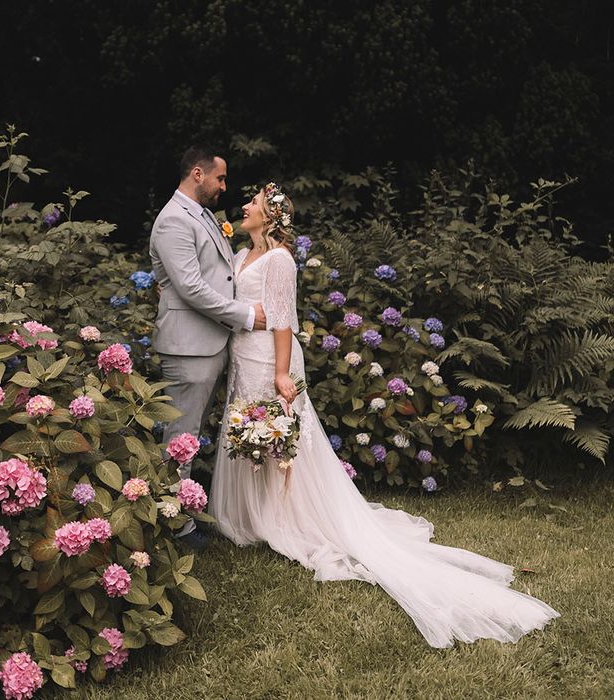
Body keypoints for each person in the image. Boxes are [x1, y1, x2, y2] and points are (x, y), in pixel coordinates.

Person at [208, 182, 560, 648]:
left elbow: (281, 318)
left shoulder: (280, 261)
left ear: (271, 217)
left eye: (252, 203)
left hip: (269, 360)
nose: (244, 206)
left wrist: (279, 372)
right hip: (241, 357)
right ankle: (252, 514)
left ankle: (284, 516)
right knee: (251, 431)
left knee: (279, 435)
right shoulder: (238, 255)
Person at [150, 146, 266, 548]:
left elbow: (218, 274)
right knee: (179, 436)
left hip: (210, 342)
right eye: (220, 178)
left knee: (191, 434)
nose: (224, 186)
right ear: (197, 174)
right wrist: (246, 316)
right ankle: (173, 528)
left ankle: (185, 513)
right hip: (188, 348)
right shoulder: (172, 221)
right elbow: (191, 288)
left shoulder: (201, 216)